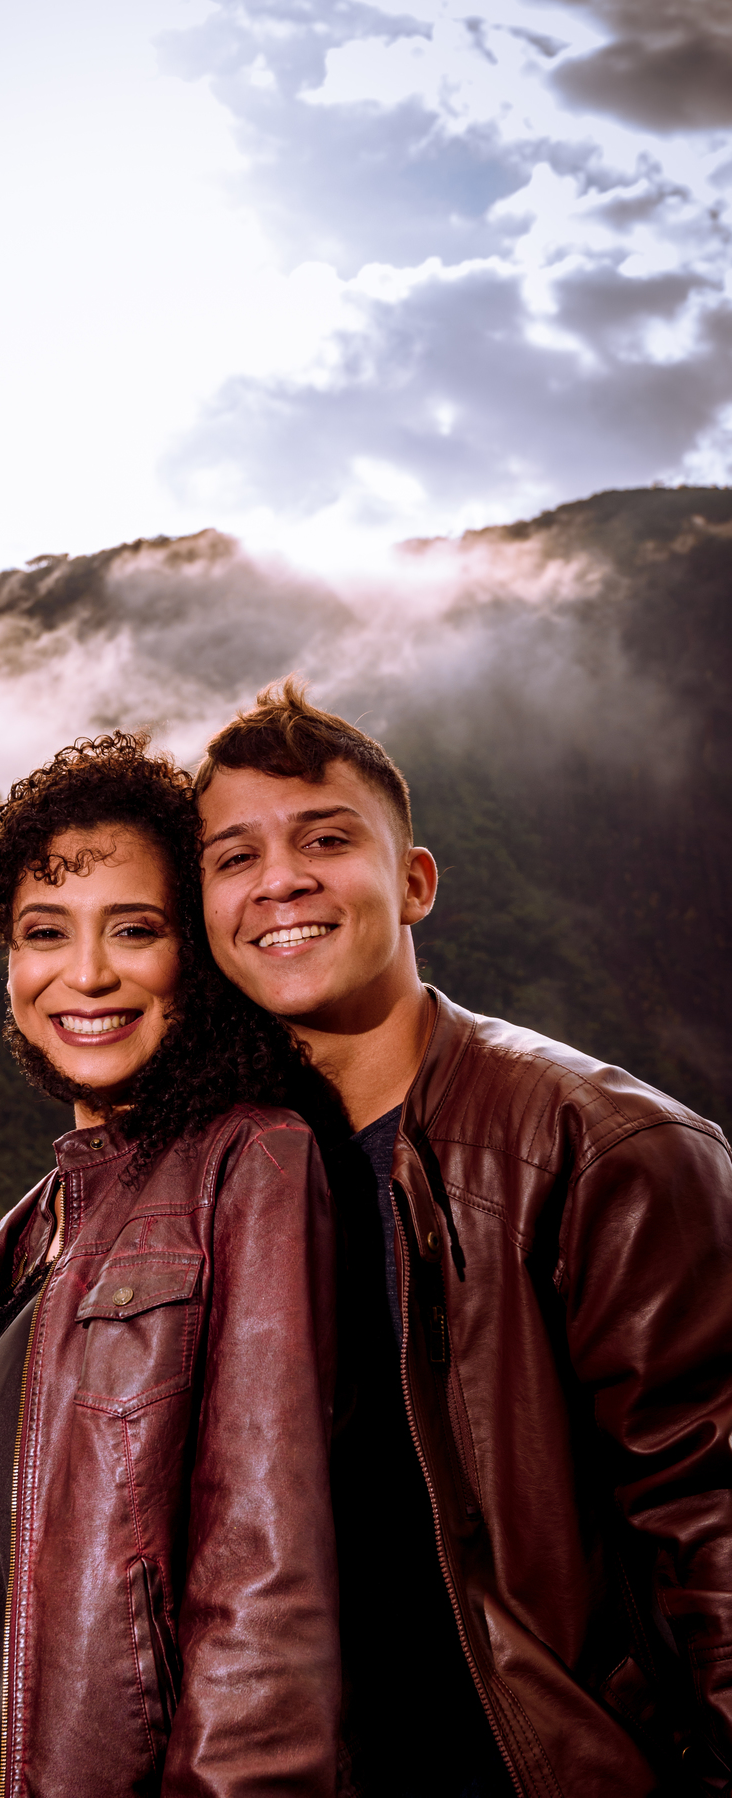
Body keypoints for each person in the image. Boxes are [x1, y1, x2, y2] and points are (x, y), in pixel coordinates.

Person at [194, 679, 732, 1797]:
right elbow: (58, 1472)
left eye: (325, 839)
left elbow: (714, 1527)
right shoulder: (206, 1178)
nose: (279, 879)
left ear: (415, 882)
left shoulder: (602, 1148)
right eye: (233, 856)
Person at [0, 732, 342, 1798]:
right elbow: (7, 1553)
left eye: (134, 929)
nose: (85, 973)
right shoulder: (36, 1222)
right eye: (46, 932)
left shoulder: (256, 1163)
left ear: (197, 952)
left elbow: (265, 1622)